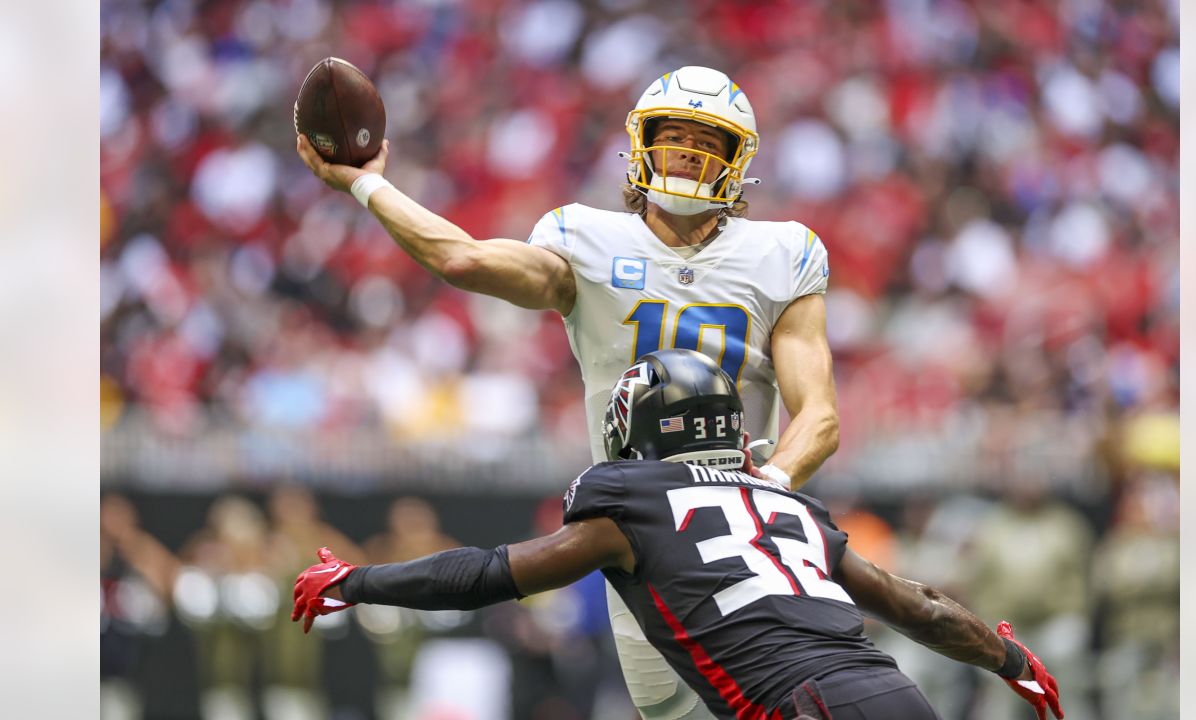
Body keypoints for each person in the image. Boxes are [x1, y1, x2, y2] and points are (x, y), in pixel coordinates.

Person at [298, 65, 840, 719]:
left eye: (707, 145)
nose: (689, 156)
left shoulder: (781, 252)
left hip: (749, 526)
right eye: (674, 139)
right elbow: (463, 259)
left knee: (786, 697)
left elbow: (821, 415)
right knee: (669, 709)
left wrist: (769, 486)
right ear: (641, 146)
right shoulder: (587, 239)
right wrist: (367, 184)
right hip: (642, 531)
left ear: (738, 163)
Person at [292, 349, 1064, 720]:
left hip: (804, 707)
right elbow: (922, 609)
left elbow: (494, 572)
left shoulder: (630, 504)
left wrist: (358, 582)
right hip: (900, 696)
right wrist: (1015, 659)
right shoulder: (789, 504)